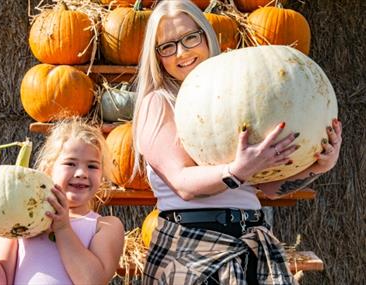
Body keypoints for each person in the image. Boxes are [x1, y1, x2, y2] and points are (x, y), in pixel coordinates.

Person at [132, 0, 342, 284]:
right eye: (167, 46)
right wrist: (236, 170)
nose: (181, 52)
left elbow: (269, 186)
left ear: (207, 36)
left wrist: (318, 166)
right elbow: (182, 183)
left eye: (190, 38)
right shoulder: (158, 103)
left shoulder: (234, 100)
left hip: (252, 241)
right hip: (193, 247)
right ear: (157, 57)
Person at [0, 118, 124, 285]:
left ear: (102, 175)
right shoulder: (19, 223)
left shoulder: (106, 226)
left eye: (92, 166)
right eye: (70, 163)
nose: (82, 172)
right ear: (48, 170)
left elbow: (92, 281)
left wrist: (63, 229)